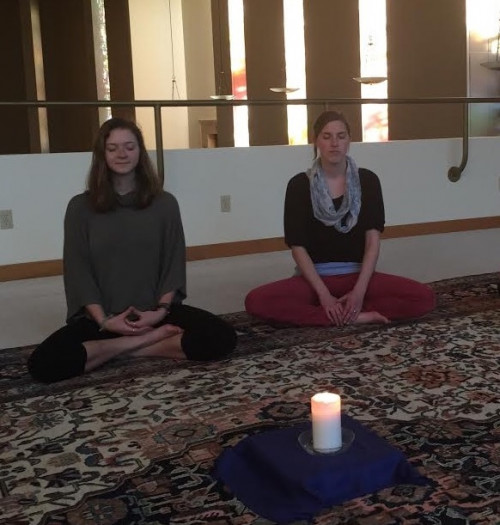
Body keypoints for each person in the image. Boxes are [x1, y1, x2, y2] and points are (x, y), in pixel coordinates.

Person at [28, 117, 237, 383]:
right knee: (43, 364)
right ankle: (138, 345)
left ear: (140, 151)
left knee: (221, 338)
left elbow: (173, 262)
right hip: (104, 319)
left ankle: (114, 351)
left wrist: (160, 311)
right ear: (102, 155)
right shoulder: (80, 208)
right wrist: (105, 321)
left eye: (129, 146)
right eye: (113, 148)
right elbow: (78, 271)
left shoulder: (164, 204)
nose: (122, 154)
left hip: (153, 312)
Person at [245, 110, 435, 326]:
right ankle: (358, 316)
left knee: (423, 298)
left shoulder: (368, 181)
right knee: (256, 302)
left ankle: (338, 312)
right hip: (314, 279)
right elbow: (298, 248)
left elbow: (372, 242)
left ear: (349, 141)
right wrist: (324, 295)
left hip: (358, 275)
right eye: (327, 137)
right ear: (316, 141)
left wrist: (359, 292)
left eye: (341, 136)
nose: (334, 143)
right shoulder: (299, 185)